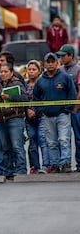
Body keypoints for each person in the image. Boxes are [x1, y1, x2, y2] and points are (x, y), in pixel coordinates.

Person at [33, 52, 77, 173]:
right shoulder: (40, 81)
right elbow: (35, 98)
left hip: (63, 115)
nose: (51, 64)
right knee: (51, 142)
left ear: (57, 63)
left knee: (63, 139)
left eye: (53, 62)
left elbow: (72, 94)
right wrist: (41, 111)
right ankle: (55, 164)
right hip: (47, 116)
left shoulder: (65, 77)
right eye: (48, 62)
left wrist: (67, 109)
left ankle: (66, 163)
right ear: (44, 64)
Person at [0, 63, 28, 179]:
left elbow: (25, 98)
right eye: (1, 72)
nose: (3, 74)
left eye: (5, 72)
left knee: (17, 146)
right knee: (5, 147)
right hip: (1, 120)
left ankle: (21, 170)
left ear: (11, 73)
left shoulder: (17, 83)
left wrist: (9, 97)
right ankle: (7, 170)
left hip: (15, 118)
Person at [56, 44, 80, 172]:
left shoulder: (78, 70)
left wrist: (75, 108)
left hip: (76, 110)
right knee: (63, 138)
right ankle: (65, 163)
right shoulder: (59, 70)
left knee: (78, 138)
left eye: (64, 55)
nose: (61, 58)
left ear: (71, 55)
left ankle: (79, 164)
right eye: (60, 55)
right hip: (62, 111)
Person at [25, 60, 50, 174]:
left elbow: (45, 99)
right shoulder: (24, 85)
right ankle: (35, 166)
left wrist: (35, 111)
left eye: (34, 69)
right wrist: (27, 111)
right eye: (29, 69)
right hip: (28, 118)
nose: (31, 72)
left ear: (39, 71)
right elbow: (22, 100)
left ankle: (46, 165)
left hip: (41, 116)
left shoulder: (42, 83)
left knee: (42, 140)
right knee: (32, 142)